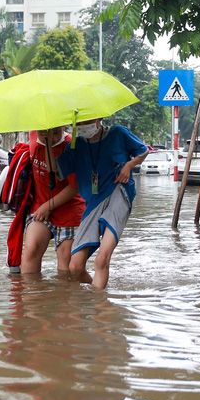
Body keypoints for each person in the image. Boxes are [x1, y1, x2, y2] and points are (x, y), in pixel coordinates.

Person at [56, 118, 148, 289]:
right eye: (80, 123)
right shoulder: (75, 145)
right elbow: (57, 172)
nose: (84, 126)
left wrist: (129, 166)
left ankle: (100, 309)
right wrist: (48, 142)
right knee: (75, 267)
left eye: (88, 121)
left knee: (101, 260)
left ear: (99, 118)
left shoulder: (118, 133)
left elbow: (143, 151)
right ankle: (98, 296)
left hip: (118, 192)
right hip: (92, 202)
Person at [22, 127, 86, 274]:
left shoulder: (72, 146)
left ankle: (63, 295)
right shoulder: (32, 135)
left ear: (63, 127)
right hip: (40, 208)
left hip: (70, 212)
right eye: (44, 133)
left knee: (66, 265)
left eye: (56, 133)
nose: (50, 138)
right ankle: (30, 294)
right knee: (31, 250)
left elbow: (75, 187)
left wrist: (49, 206)